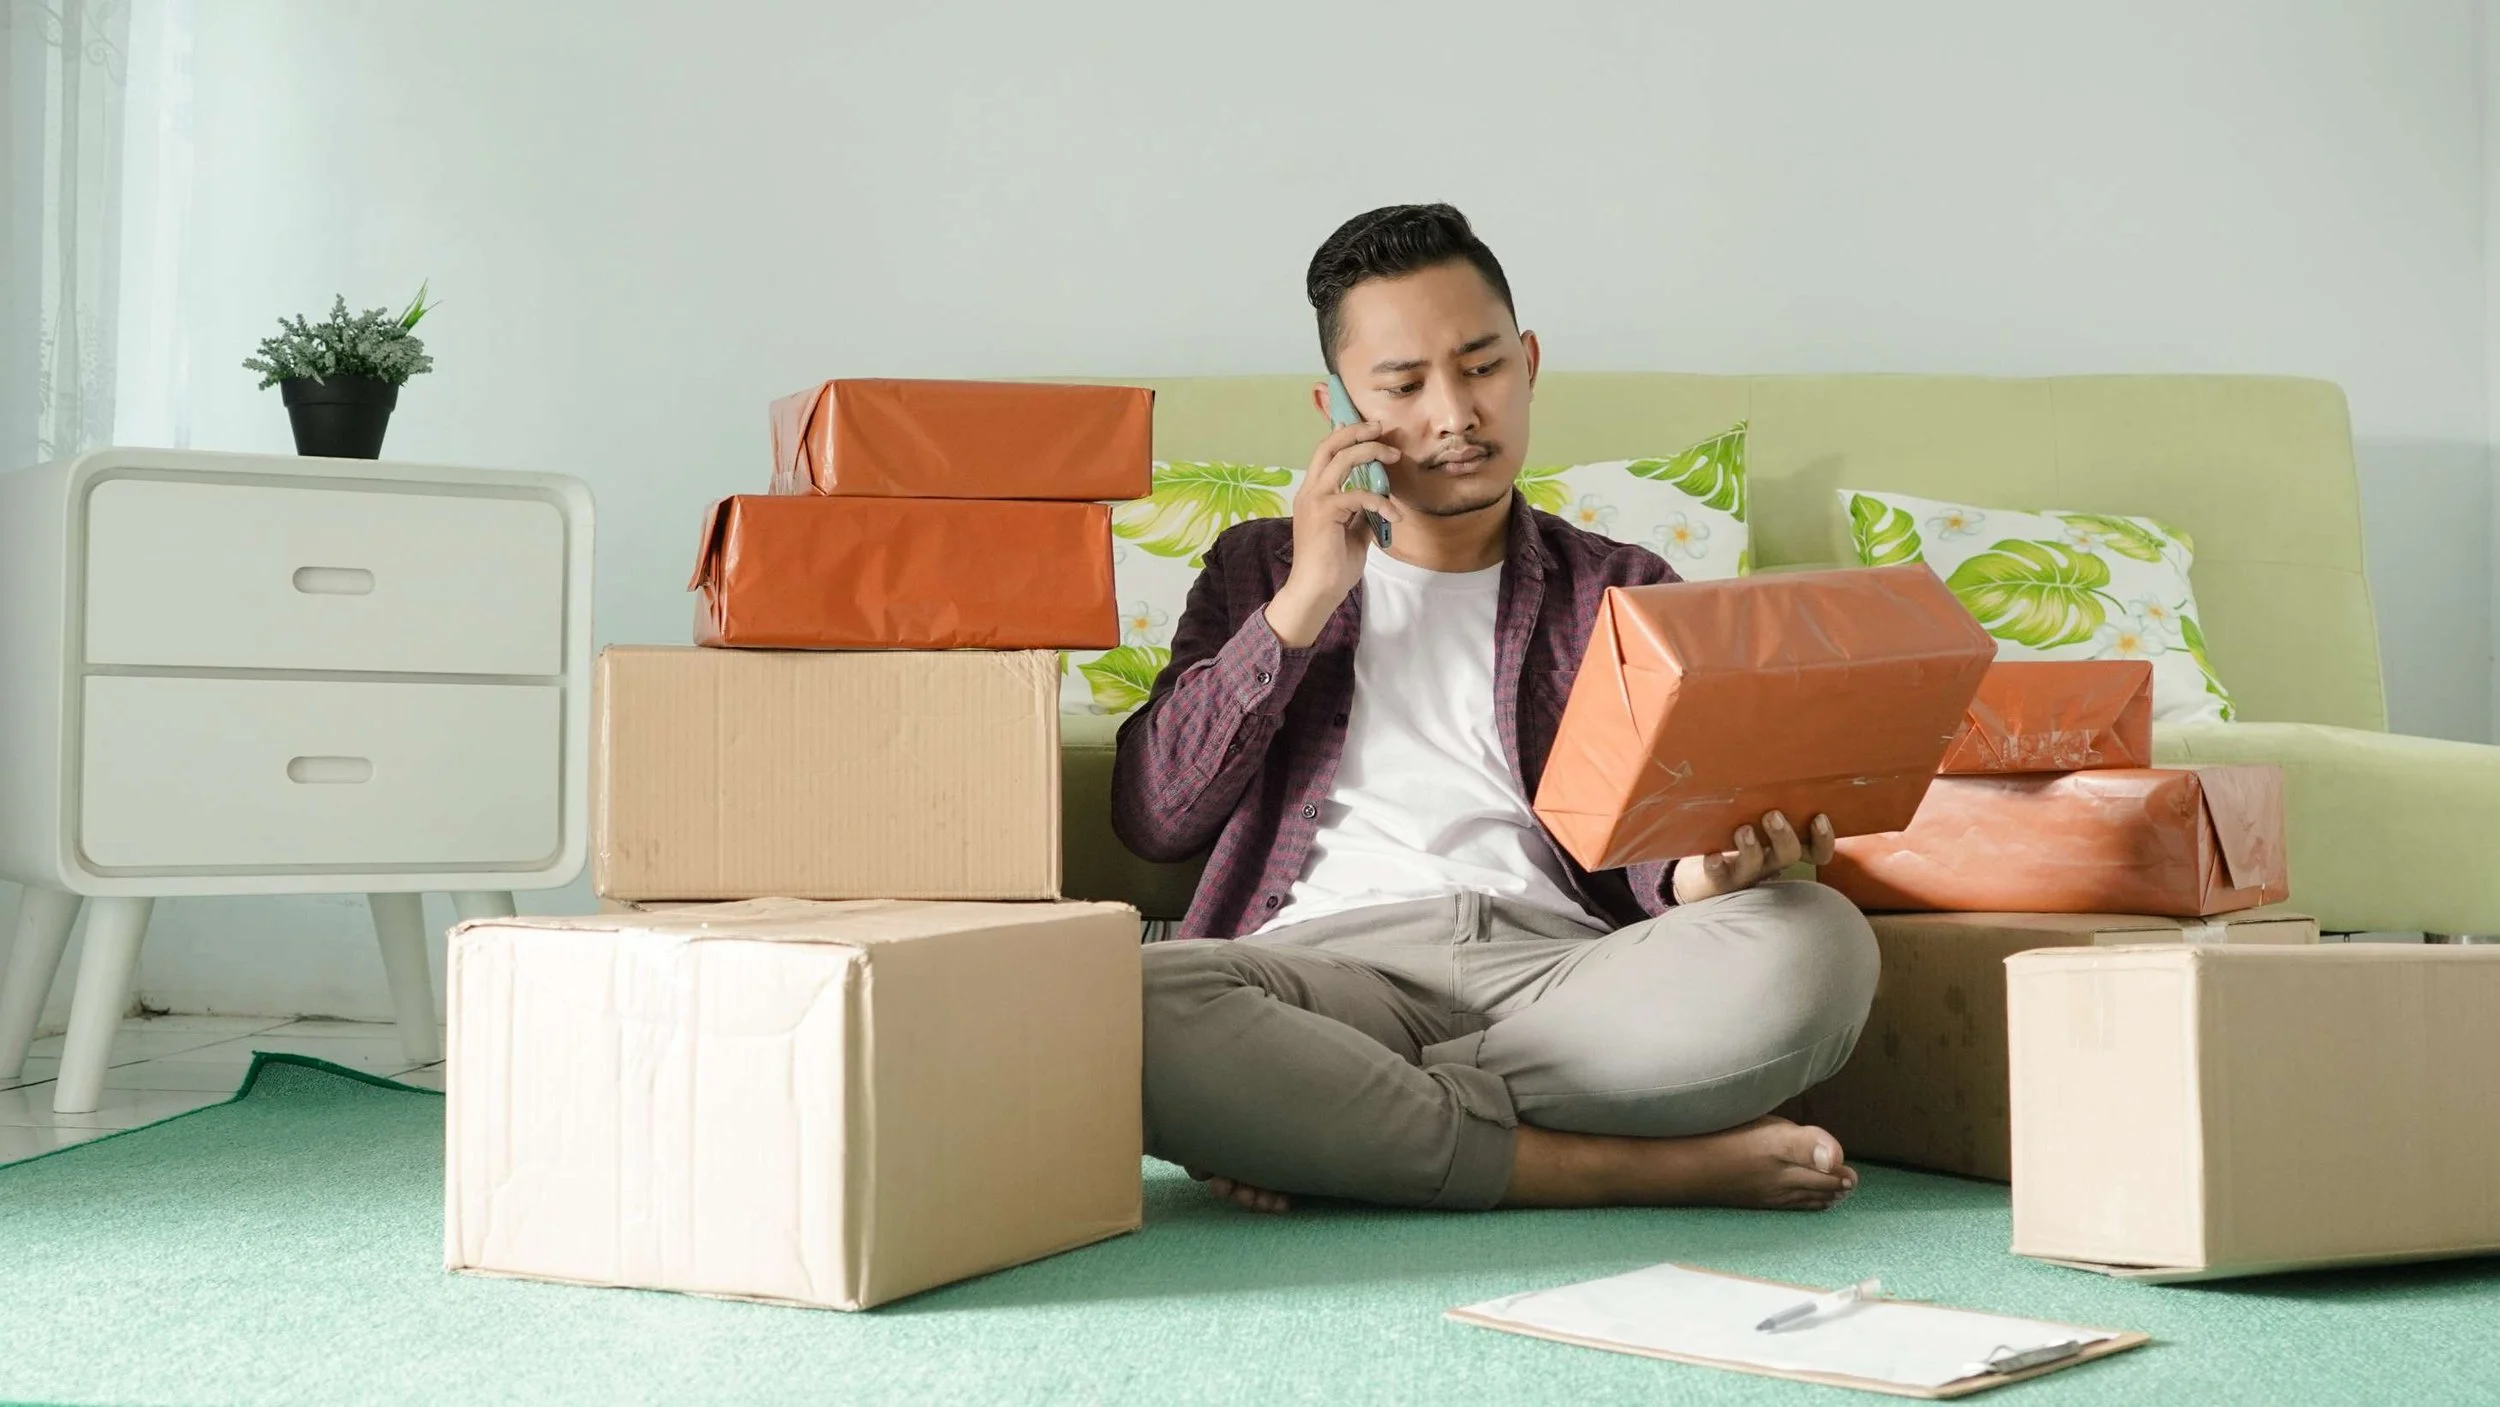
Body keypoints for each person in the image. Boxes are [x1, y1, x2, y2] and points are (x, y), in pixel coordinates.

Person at [1113, 203, 1879, 1216]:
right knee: (1124, 1005)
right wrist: (1301, 604)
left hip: (1561, 977)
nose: (1455, 413)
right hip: (1321, 981)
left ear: (1526, 362)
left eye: (1481, 367)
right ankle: (1607, 1166)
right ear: (1336, 404)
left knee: (1817, 943)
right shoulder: (1258, 567)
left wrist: (1701, 875)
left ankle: (1345, 1132)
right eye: (1403, 384)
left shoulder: (1622, 586)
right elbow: (1156, 814)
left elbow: (1652, 838)